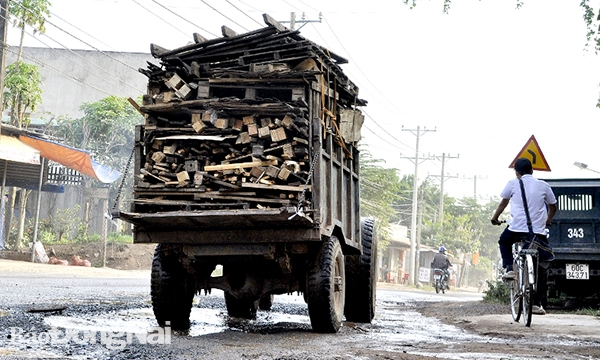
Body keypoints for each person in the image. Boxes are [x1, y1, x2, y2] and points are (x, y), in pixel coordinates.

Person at [491, 157, 557, 315]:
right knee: (540, 266)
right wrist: (548, 220)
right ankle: (536, 303)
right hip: (537, 233)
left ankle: (509, 268)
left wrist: (495, 218)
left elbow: (503, 203)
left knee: (504, 241)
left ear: (516, 172)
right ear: (532, 170)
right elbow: (553, 206)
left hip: (516, 229)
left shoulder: (513, 184)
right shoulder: (543, 185)